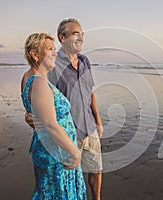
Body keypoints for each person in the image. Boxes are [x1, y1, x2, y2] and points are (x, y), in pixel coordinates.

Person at [26, 19, 103, 200]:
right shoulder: (51, 64)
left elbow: (90, 93)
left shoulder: (85, 61)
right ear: (62, 37)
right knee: (69, 181)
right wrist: (29, 114)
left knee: (96, 171)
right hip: (67, 134)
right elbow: (38, 93)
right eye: (76, 34)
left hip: (90, 128)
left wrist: (98, 122)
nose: (81, 38)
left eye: (82, 34)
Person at [21, 32, 87, 200]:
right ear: (34, 55)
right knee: (59, 194)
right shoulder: (40, 82)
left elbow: (35, 114)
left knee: (49, 193)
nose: (55, 52)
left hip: (48, 149)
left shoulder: (28, 77)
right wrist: (75, 153)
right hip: (56, 153)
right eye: (49, 49)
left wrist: (31, 118)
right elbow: (50, 125)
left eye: (54, 49)